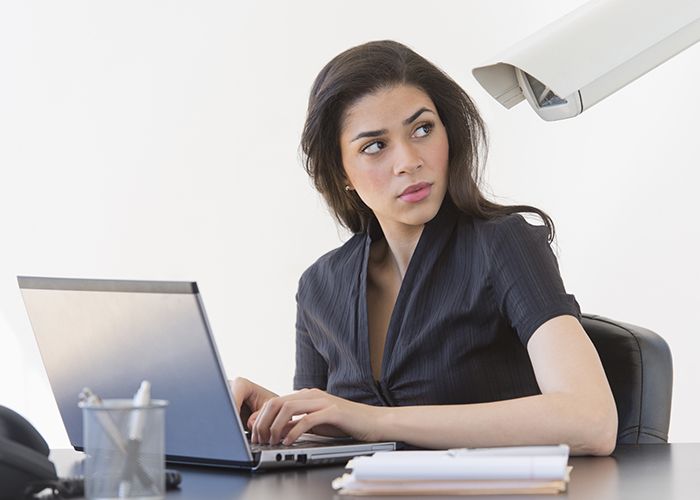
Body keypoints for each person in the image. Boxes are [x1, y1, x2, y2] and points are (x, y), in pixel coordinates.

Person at [233, 40, 617, 455]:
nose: (409, 161)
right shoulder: (319, 287)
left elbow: (590, 420)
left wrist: (374, 421)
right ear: (341, 172)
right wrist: (274, 415)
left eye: (422, 129)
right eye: (375, 146)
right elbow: (337, 436)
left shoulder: (504, 245)